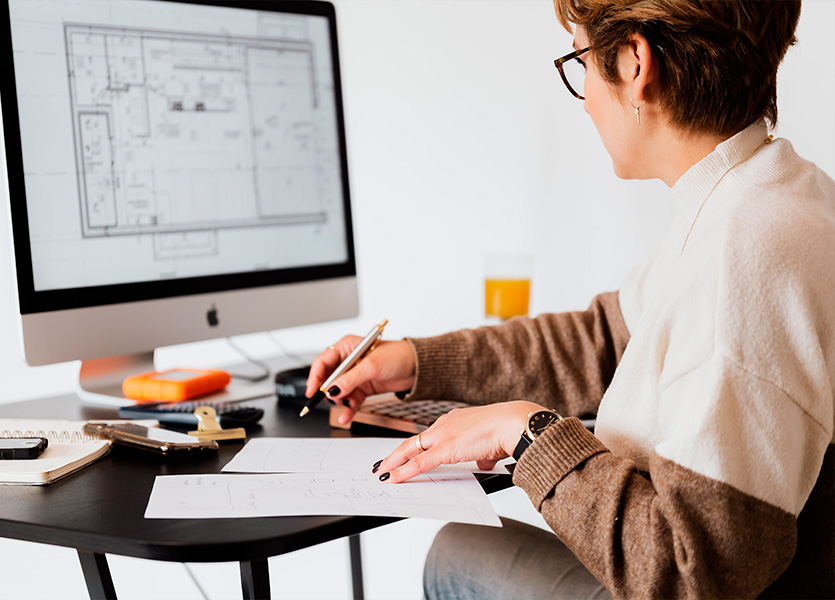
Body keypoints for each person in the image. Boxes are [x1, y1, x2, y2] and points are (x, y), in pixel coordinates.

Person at [306, 0, 835, 597]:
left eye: (581, 61)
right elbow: (603, 340)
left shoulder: (746, 252)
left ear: (636, 63)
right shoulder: (768, 196)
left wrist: (527, 434)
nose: (584, 95)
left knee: (454, 552)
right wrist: (415, 361)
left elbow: (695, 572)